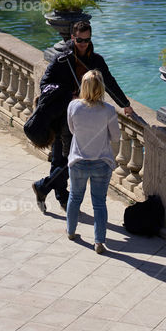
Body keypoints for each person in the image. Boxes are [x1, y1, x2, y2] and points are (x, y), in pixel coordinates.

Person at [31, 21, 135, 212]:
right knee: (62, 160)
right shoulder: (61, 59)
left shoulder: (96, 61)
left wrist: (125, 104)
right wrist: (67, 94)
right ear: (72, 37)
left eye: (87, 40)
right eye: (79, 40)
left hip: (83, 120)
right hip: (61, 115)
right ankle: (60, 197)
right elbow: (45, 85)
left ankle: (46, 188)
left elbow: (110, 83)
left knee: (70, 160)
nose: (83, 44)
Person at [64, 69, 120, 254]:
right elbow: (116, 137)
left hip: (78, 160)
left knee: (74, 197)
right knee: (99, 203)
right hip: (101, 161)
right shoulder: (109, 110)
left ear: (84, 87)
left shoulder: (73, 106)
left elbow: (72, 130)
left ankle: (71, 232)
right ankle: (99, 242)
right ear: (101, 88)